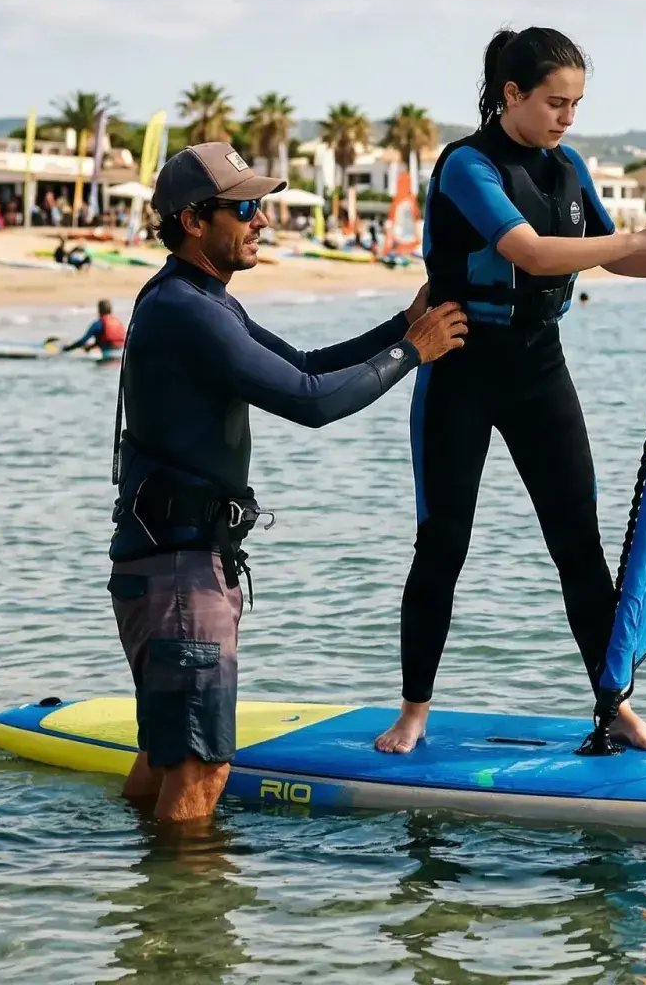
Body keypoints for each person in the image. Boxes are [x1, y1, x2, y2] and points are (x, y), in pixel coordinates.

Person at [108, 141, 467, 823]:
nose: (261, 221)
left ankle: (142, 897)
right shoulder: (187, 309)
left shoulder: (199, 301)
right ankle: (186, 920)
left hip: (170, 562)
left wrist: (402, 324)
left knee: (165, 755)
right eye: (245, 208)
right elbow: (311, 401)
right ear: (192, 220)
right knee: (202, 767)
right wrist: (413, 351)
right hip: (180, 573)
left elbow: (305, 364)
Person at [373, 27, 646, 757]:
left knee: (580, 545)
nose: (566, 119)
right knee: (443, 543)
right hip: (461, 368)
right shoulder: (467, 166)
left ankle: (614, 706)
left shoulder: (567, 167)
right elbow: (531, 252)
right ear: (511, 94)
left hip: (539, 370)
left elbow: (613, 263)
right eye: (555, 102)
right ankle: (414, 709)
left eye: (576, 105)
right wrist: (644, 236)